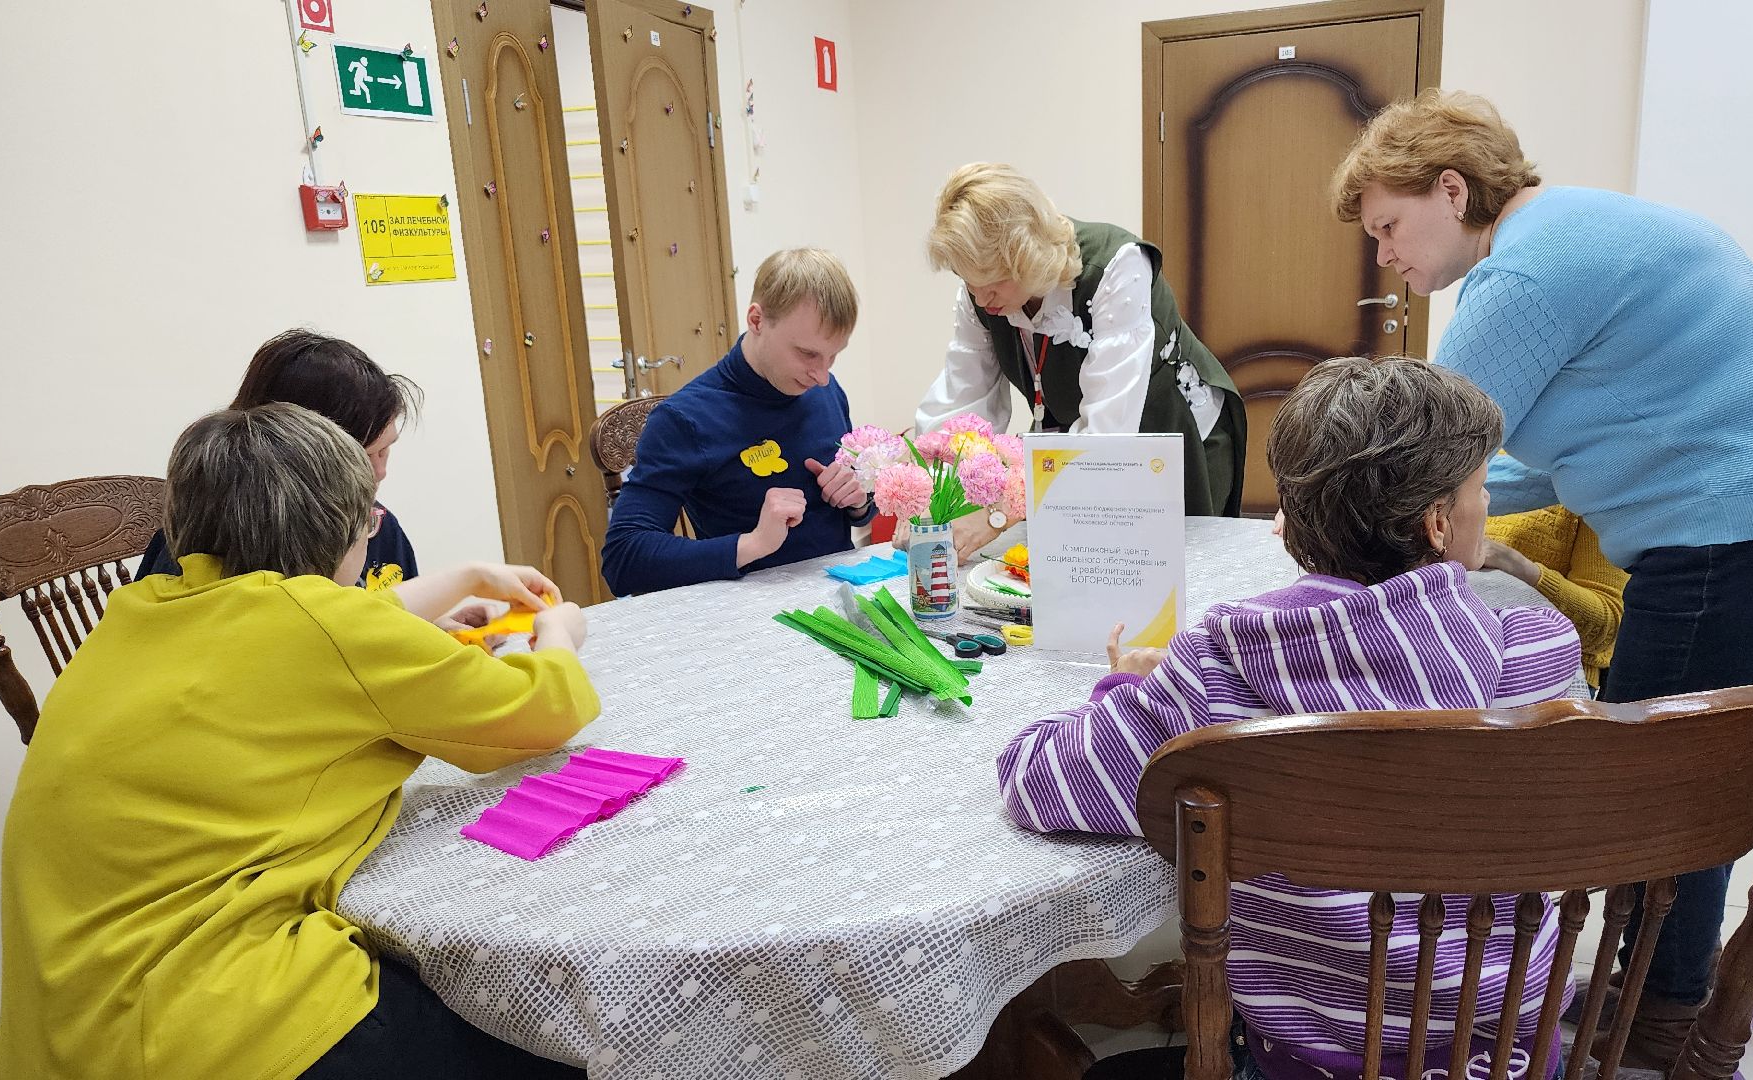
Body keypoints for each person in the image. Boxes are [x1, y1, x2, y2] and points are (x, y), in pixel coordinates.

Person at [1331, 89, 1753, 1069]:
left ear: (1451, 190)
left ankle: (1660, 1016)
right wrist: (1447, 510)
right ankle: (1660, 985)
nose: (1384, 257)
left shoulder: (1521, 276)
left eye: (1388, 226)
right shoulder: (1587, 225)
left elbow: (1427, 449)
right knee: (1690, 762)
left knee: (1657, 786)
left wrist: (1323, 515)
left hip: (1748, 535)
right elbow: (1527, 464)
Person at [997, 357, 1582, 1080]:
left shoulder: (1211, 676)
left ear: (1289, 520)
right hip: (1512, 1059)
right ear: (1437, 523)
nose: (1484, 506)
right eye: (1480, 491)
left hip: (1309, 1065)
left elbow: (1034, 780)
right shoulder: (1542, 657)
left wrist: (1120, 689)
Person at [0, 404, 599, 1079]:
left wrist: (465, 578)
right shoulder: (329, 631)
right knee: (563, 1045)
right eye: (369, 520)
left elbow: (311, 625)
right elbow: (546, 709)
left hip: (67, 1024)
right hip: (212, 1026)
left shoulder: (139, 613)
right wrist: (559, 634)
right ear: (345, 529)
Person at [917, 163, 1247, 559]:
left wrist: (998, 512)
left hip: (1177, 439)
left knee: (1174, 577)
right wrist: (930, 486)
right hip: (1087, 450)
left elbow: (1107, 432)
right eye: (969, 280)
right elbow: (964, 400)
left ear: (1026, 257)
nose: (981, 297)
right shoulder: (979, 293)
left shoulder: (1117, 265)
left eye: (992, 280)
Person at [600, 248, 876, 596]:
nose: (822, 376)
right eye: (807, 354)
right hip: (751, 613)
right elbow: (624, 558)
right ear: (757, 320)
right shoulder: (685, 420)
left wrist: (858, 500)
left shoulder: (825, 390)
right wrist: (752, 544)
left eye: (833, 356)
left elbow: (860, 515)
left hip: (841, 593)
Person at [138, 328, 423, 594]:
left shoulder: (379, 527)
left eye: (385, 451)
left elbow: (395, 618)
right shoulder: (200, 559)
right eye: (363, 456)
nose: (379, 472)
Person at [1482, 485, 1628, 690]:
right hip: (1458, 661)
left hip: (1552, 678)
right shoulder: (1462, 465)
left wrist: (1514, 565)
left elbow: (1604, 629)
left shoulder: (1597, 482)